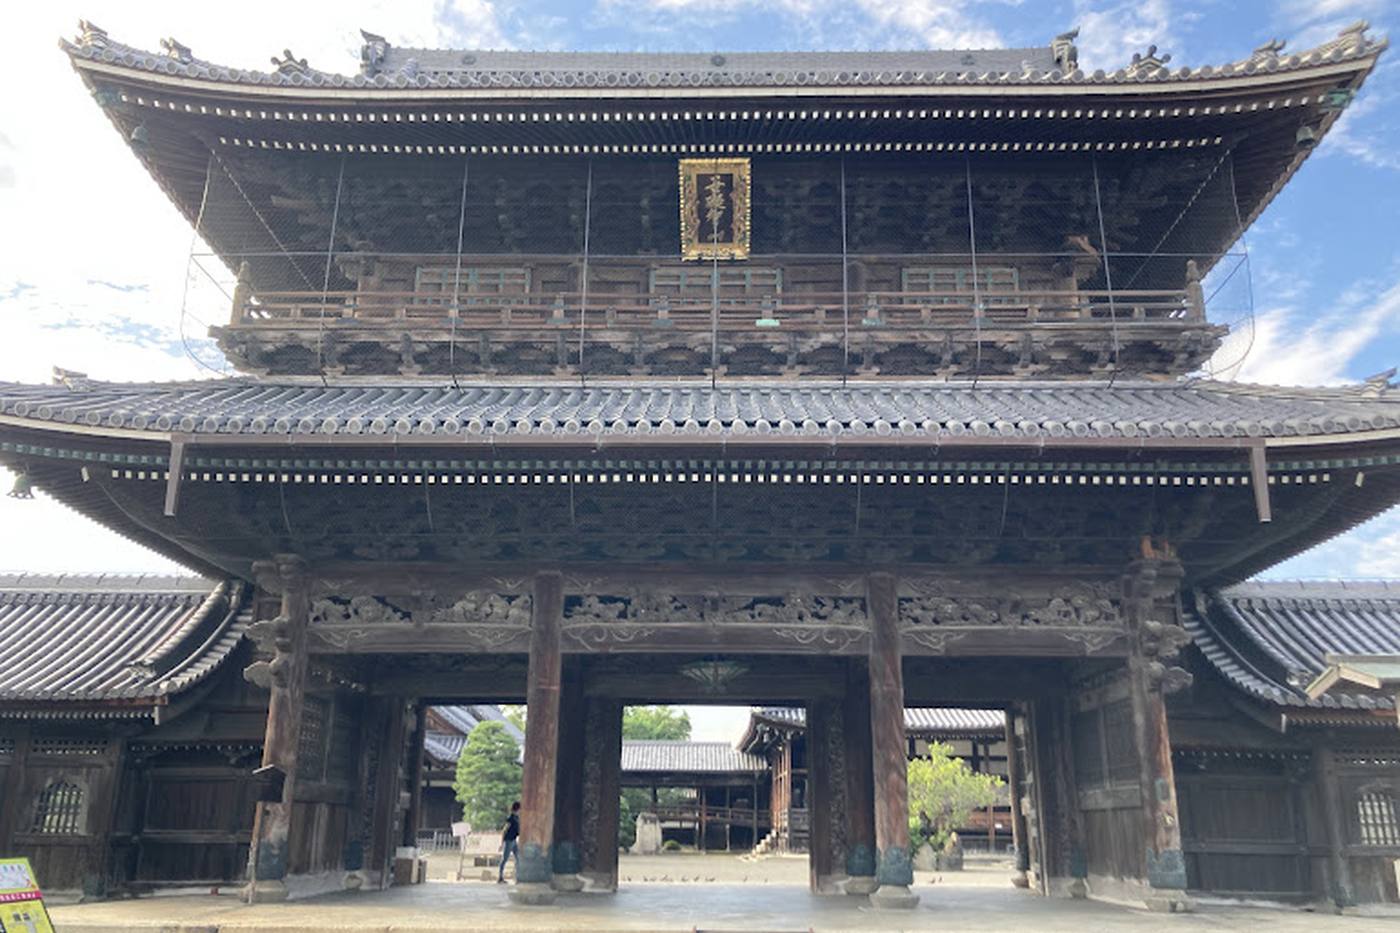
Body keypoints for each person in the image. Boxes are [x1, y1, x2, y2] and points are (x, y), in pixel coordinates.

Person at [497, 801, 521, 883]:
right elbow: (504, 830)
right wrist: (502, 843)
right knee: (505, 859)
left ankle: (517, 877)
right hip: (509, 840)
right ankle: (500, 877)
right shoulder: (511, 818)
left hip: (514, 840)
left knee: (518, 858)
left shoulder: (517, 818)